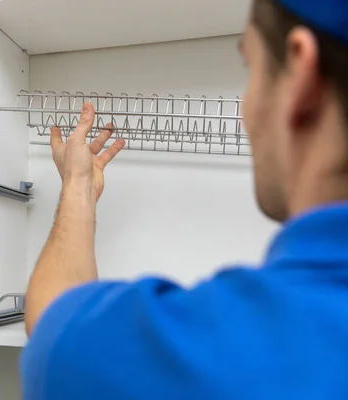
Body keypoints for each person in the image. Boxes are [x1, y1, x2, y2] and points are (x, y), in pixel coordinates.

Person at [20, 0, 348, 398]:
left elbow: (52, 325)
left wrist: (77, 185)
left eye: (250, 68)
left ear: (300, 75)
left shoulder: (216, 353)